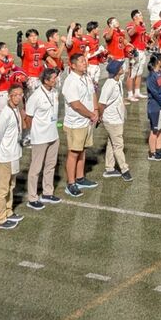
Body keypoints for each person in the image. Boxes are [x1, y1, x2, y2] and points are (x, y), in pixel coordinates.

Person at [60, 53, 99, 198]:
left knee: (82, 150)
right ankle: (71, 183)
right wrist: (91, 114)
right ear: (73, 65)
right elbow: (75, 104)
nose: (85, 63)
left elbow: (92, 93)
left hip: (86, 121)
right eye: (81, 61)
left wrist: (95, 110)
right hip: (76, 123)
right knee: (74, 152)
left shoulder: (86, 77)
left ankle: (80, 178)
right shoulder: (71, 81)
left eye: (85, 61)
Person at [24, 68, 62, 208]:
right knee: (36, 168)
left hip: (53, 135)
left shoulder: (55, 92)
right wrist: (33, 133)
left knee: (51, 165)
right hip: (40, 137)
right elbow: (28, 117)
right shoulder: (36, 96)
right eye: (53, 78)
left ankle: (47, 192)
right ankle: (32, 197)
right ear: (46, 80)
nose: (56, 80)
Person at [0, 83, 26, 230]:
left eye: (20, 94)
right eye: (15, 95)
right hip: (5, 155)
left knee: (11, 185)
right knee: (3, 188)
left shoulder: (16, 109)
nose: (18, 97)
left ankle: (8, 211)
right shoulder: (5, 113)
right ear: (9, 96)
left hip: (14, 153)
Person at [97, 59, 131, 181]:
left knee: (112, 143)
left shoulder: (118, 81)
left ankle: (109, 168)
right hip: (112, 119)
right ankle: (124, 169)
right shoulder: (109, 85)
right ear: (117, 71)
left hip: (117, 117)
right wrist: (100, 116)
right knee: (118, 145)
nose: (122, 68)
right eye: (120, 67)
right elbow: (101, 103)